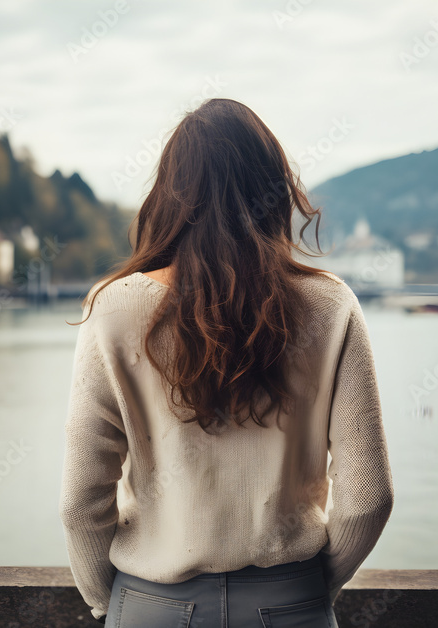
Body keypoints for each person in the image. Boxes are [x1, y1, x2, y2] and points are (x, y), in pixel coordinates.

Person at [60, 98, 393, 627]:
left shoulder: (114, 308)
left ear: (170, 196)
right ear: (274, 187)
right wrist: (307, 591)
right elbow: (369, 497)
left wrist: (112, 600)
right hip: (291, 602)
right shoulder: (331, 307)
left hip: (153, 606)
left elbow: (82, 502)